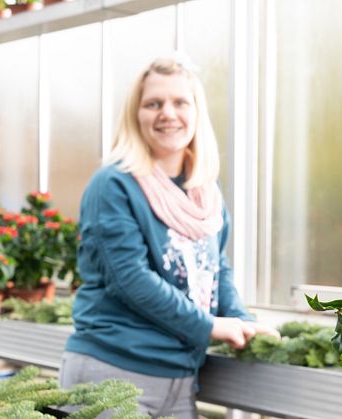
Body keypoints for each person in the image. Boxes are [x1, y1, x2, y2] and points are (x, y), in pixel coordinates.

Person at [59, 56, 277, 419]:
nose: (168, 114)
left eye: (180, 102)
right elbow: (129, 280)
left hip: (180, 379)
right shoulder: (113, 185)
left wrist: (240, 318)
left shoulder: (205, 191)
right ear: (136, 115)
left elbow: (215, 268)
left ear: (196, 111)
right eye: (153, 104)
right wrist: (211, 326)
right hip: (113, 374)